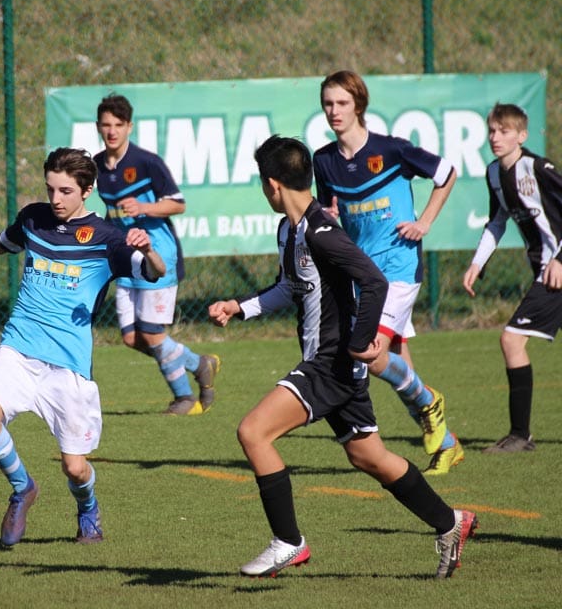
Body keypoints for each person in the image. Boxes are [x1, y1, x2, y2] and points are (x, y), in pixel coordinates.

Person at [208, 135, 476, 579]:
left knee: (253, 432)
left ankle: (288, 542)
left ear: (273, 185)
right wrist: (241, 307)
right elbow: (290, 287)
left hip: (330, 363)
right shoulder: (289, 231)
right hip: (331, 363)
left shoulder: (322, 231)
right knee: (369, 457)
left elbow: (374, 281)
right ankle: (452, 522)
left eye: (261, 182)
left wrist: (360, 340)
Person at [0, 147, 165, 546]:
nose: (55, 199)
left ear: (87, 190)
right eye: (51, 189)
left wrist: (148, 250)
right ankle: (23, 488)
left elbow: (156, 274)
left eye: (65, 191)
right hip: (18, 346)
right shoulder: (33, 218)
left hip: (67, 366)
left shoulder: (107, 239)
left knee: (75, 468)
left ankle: (87, 507)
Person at [312, 70, 463, 475]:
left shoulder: (392, 150)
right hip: (363, 272)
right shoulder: (323, 160)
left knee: (368, 351)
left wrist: (425, 221)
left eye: (342, 103)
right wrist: (329, 216)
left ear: (358, 105)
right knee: (395, 358)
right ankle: (446, 443)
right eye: (328, 103)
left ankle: (430, 401)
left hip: (398, 267)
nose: (333, 111)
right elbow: (330, 208)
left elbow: (447, 173)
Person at [94, 94, 220, 416]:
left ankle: (184, 398)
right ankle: (198, 362)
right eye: (106, 125)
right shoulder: (97, 166)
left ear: (129, 127)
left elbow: (178, 203)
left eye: (118, 125)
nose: (112, 132)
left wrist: (145, 207)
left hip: (157, 257)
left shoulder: (146, 162)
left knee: (152, 334)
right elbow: (112, 214)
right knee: (131, 337)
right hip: (127, 261)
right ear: (98, 127)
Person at [463, 102, 562, 453]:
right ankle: (520, 434)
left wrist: (559, 258)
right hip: (546, 271)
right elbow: (497, 221)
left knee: (511, 339)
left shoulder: (537, 167)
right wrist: (478, 263)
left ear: (522, 135)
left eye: (504, 131)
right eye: (492, 130)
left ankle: (520, 435)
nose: (496, 137)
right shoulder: (494, 173)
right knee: (512, 340)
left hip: (556, 272)